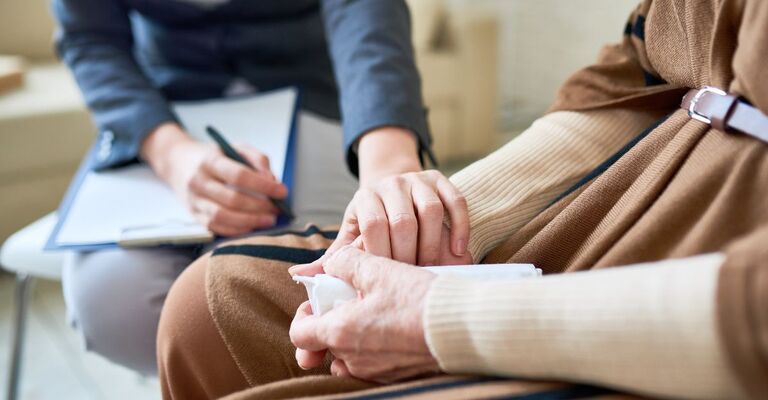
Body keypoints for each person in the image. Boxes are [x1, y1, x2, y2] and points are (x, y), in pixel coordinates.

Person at [157, 0, 768, 398]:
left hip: (719, 317)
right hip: (622, 197)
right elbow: (636, 72)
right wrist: (440, 219)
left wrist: (442, 321)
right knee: (205, 307)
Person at [53, 0, 469, 374]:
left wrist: (387, 160)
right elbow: (89, 38)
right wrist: (171, 155)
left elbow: (364, 12)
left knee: (277, 297)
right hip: (162, 117)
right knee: (111, 309)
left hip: (316, 99)